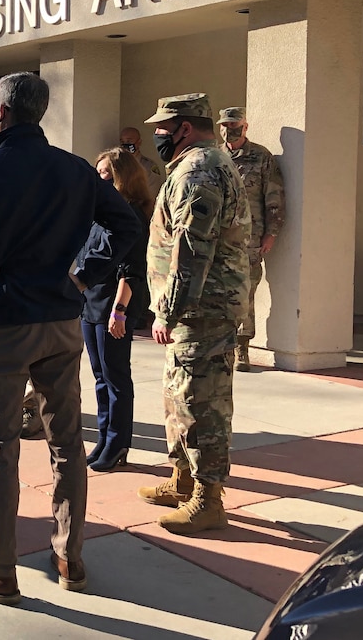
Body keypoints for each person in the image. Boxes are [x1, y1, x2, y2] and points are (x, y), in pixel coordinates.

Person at [0, 72, 140, 604]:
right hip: (61, 321)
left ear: (0, 113)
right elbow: (128, 226)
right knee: (67, 443)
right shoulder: (74, 170)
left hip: (4, 326)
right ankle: (70, 557)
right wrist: (86, 274)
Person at [137, 93, 249, 536]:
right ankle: (182, 480)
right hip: (197, 310)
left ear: (184, 127)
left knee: (203, 403)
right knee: (179, 397)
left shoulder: (198, 171)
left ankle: (208, 499)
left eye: (162, 129)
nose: (157, 136)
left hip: (202, 309)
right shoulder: (204, 164)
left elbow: (192, 251)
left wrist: (169, 310)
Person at [76, 147, 153, 473]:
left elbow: (132, 270)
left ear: (122, 176)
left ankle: (119, 443)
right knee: (100, 377)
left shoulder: (130, 215)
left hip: (113, 306)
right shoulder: (100, 213)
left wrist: (120, 311)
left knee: (116, 377)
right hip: (91, 304)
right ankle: (105, 439)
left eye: (105, 173)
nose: (98, 178)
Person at [218, 107, 285, 372]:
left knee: (245, 291)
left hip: (250, 237)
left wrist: (271, 233)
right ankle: (221, 344)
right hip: (217, 236)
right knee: (217, 290)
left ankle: (241, 346)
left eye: (234, 125)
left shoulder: (261, 156)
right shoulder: (214, 156)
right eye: (224, 125)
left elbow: (274, 196)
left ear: (245, 127)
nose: (228, 130)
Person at [119, 126, 166, 196]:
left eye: (129, 141)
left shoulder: (149, 166)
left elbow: (152, 193)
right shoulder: (118, 164)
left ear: (139, 142)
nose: (125, 144)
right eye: (122, 141)